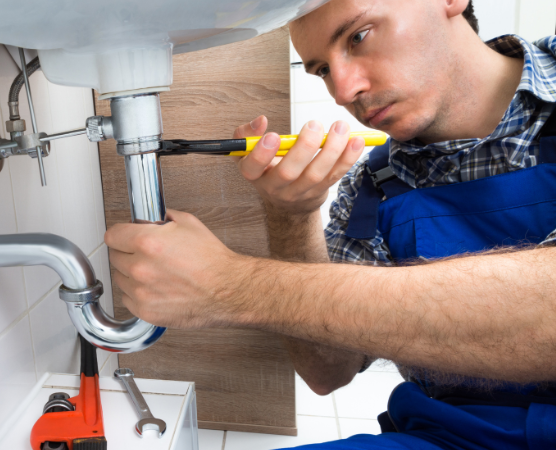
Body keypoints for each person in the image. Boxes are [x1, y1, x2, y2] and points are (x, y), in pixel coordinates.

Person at [104, 0, 556, 447]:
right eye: (321, 69)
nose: (342, 90)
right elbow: (328, 371)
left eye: (358, 36)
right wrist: (292, 216)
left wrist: (229, 285)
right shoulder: (370, 188)